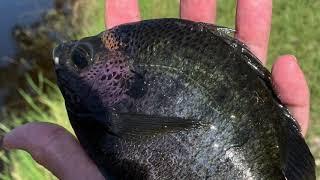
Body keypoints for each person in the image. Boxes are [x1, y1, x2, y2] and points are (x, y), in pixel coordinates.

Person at [2, 0, 310, 179]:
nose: (62, 58)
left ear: (120, 72)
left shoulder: (111, 117)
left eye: (82, 58)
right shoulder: (110, 117)